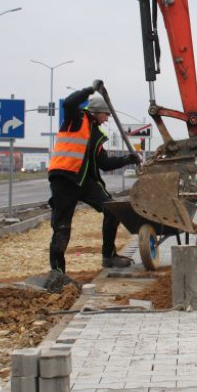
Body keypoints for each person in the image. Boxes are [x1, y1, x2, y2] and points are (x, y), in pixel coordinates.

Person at [48, 84, 141, 272]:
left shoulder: (97, 133)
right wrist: (89, 90)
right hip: (65, 178)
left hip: (84, 181)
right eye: (106, 115)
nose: (107, 119)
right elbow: (68, 103)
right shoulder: (76, 118)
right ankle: (57, 273)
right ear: (97, 112)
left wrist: (127, 159)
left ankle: (109, 256)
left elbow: (104, 163)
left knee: (112, 210)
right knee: (62, 227)